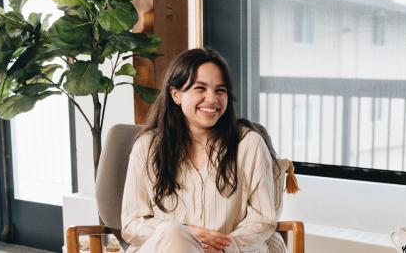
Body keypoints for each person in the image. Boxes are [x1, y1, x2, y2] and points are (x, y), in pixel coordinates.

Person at [121, 48, 286, 253]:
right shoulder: (147, 147)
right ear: (176, 95)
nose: (212, 99)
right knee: (174, 234)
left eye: (220, 90)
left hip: (228, 251)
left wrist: (223, 246)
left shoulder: (249, 144)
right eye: (200, 88)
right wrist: (185, 233)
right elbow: (131, 224)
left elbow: (263, 219)